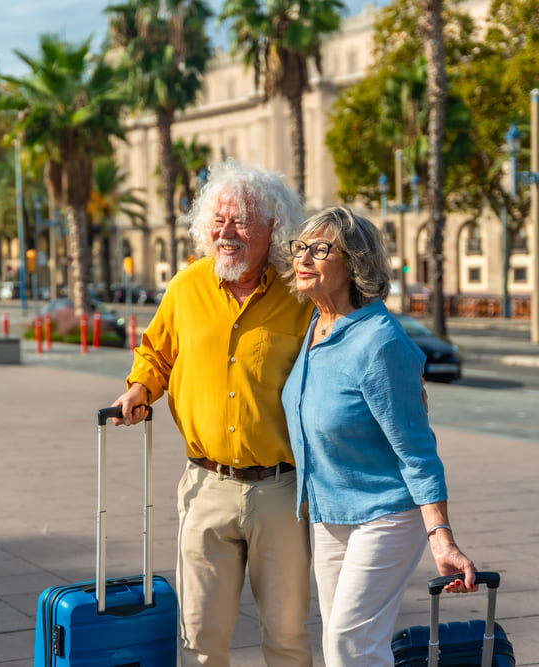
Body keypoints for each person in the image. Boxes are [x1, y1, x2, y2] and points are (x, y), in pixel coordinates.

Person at [112, 159, 315, 666]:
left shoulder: (301, 295)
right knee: (200, 641)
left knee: (287, 638)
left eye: (242, 220)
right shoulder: (187, 287)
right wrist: (139, 388)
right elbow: (156, 353)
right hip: (206, 488)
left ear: (274, 228)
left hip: (283, 490)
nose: (227, 232)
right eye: (219, 220)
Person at [280, 207, 476, 667]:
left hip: (385, 514)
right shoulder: (317, 324)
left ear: (355, 262)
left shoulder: (379, 341)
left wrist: (441, 538)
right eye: (301, 248)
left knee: (350, 646)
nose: (305, 258)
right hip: (330, 514)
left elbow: (417, 452)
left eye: (322, 249)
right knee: (345, 645)